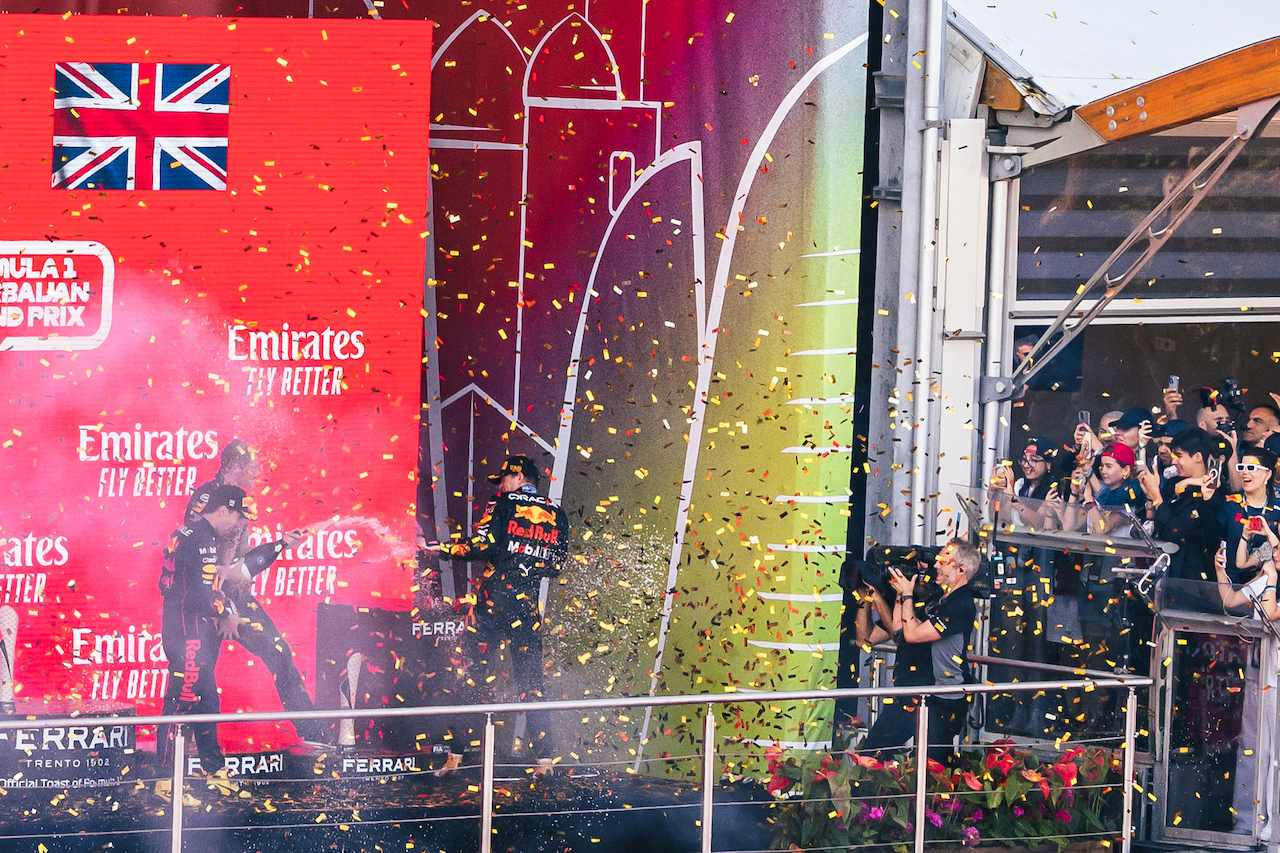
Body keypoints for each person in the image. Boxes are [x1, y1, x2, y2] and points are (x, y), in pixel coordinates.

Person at [424, 454, 569, 775]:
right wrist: (524, 562)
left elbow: (482, 545)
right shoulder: (557, 513)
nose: (501, 485)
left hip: (492, 604)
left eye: (504, 478)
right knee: (532, 686)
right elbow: (555, 567)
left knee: (471, 677)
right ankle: (545, 762)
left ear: (519, 477)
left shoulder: (502, 503)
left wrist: (442, 549)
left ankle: (455, 757)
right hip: (527, 608)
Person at [186, 440, 324, 746]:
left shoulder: (241, 500)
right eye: (253, 466)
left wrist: (280, 546)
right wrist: (220, 609)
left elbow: (241, 564)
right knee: (198, 675)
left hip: (236, 596)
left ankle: (314, 737)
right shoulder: (206, 499)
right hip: (206, 600)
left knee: (279, 653)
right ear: (235, 467)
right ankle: (191, 752)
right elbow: (198, 555)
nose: (259, 471)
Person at [158, 485, 297, 769]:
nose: (240, 523)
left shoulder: (184, 532)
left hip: (184, 629)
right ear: (222, 511)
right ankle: (162, 778)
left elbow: (170, 583)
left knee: (208, 702)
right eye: (237, 516)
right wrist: (227, 615)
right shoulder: (204, 540)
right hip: (189, 635)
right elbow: (200, 593)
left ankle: (212, 768)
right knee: (181, 704)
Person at [854, 539, 979, 762]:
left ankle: (940, 797)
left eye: (942, 562)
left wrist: (908, 595)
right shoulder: (940, 599)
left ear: (961, 570)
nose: (936, 566)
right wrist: (899, 595)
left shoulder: (961, 604)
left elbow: (911, 635)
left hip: (943, 701)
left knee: (932, 769)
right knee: (871, 755)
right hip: (915, 694)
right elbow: (900, 635)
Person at [1142, 427, 1227, 582]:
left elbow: (1177, 531)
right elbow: (1156, 523)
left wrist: (1156, 496)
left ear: (1197, 457)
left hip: (1192, 579)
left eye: (1179, 456)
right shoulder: (1172, 484)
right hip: (1164, 572)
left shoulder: (1210, 493)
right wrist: (1150, 497)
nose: (1174, 461)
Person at [1222, 447, 1280, 583]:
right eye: (1242, 467)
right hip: (1232, 584)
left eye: (1251, 468)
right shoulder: (1229, 505)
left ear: (1268, 474)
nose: (1244, 473)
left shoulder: (1278, 509)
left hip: (1269, 584)